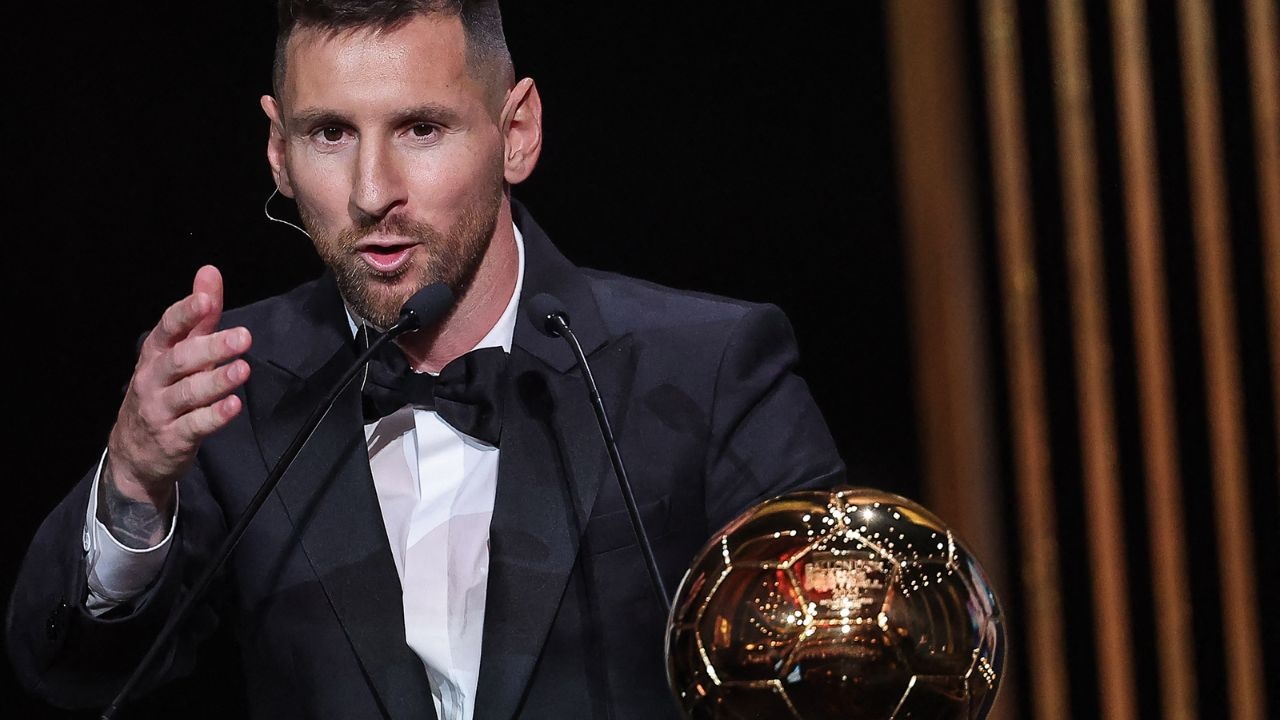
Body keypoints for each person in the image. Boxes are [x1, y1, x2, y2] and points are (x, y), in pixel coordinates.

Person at [6, 2, 845, 718]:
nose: (372, 191)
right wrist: (133, 488)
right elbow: (73, 675)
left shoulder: (704, 370)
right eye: (330, 133)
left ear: (516, 133)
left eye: (420, 128)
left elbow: (842, 667)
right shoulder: (229, 389)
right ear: (278, 152)